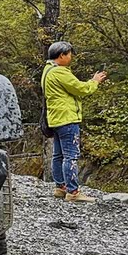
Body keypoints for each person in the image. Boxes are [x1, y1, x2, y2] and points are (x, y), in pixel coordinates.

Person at [42, 42, 107, 203]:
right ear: (61, 55)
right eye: (69, 54)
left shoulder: (47, 70)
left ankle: (60, 187)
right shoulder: (60, 72)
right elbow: (81, 89)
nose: (71, 57)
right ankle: (73, 192)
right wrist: (94, 81)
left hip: (55, 119)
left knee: (58, 155)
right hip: (67, 119)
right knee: (70, 156)